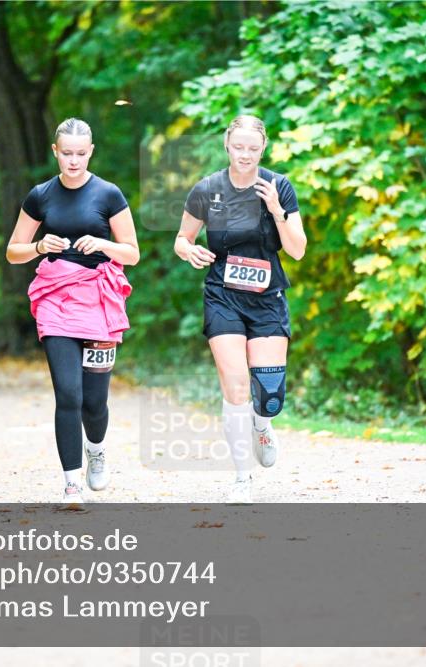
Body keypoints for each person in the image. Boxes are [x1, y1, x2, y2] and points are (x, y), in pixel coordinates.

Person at [6, 118, 140, 504]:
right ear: (55, 151)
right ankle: (71, 482)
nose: (74, 161)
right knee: (68, 394)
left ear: (91, 152)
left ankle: (95, 451)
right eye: (67, 153)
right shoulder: (40, 196)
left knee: (94, 402)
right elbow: (13, 251)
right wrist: (38, 247)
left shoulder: (109, 194)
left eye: (81, 154)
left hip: (99, 301)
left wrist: (102, 244)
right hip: (55, 300)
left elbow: (132, 251)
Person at [174, 114, 307, 503]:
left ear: (262, 148)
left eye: (253, 148)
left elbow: (297, 250)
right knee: (234, 388)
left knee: (268, 394)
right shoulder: (207, 188)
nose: (245, 154)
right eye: (238, 147)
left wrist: (277, 211)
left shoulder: (279, 185)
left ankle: (262, 424)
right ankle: (241, 478)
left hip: (267, 298)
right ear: (227, 146)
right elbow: (182, 239)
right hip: (223, 294)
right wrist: (190, 250)